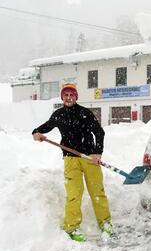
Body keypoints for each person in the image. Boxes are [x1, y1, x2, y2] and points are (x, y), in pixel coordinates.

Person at [32, 83, 113, 242]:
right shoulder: (58, 115)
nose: (69, 98)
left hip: (89, 158)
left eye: (72, 95)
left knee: (97, 192)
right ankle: (71, 227)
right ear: (62, 97)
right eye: (66, 95)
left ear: (76, 97)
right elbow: (46, 127)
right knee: (73, 195)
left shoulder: (85, 113)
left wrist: (97, 153)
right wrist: (36, 133)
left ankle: (105, 223)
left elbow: (99, 132)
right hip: (70, 159)